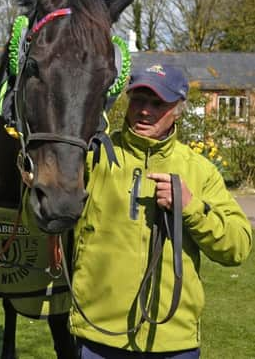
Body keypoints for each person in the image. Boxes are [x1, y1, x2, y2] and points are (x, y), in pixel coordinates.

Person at [70, 64, 252, 358]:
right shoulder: (94, 157)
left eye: (158, 103)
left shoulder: (199, 170)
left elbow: (238, 247)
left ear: (178, 109)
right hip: (97, 336)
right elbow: (46, 222)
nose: (144, 111)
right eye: (138, 100)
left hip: (172, 341)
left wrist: (191, 208)